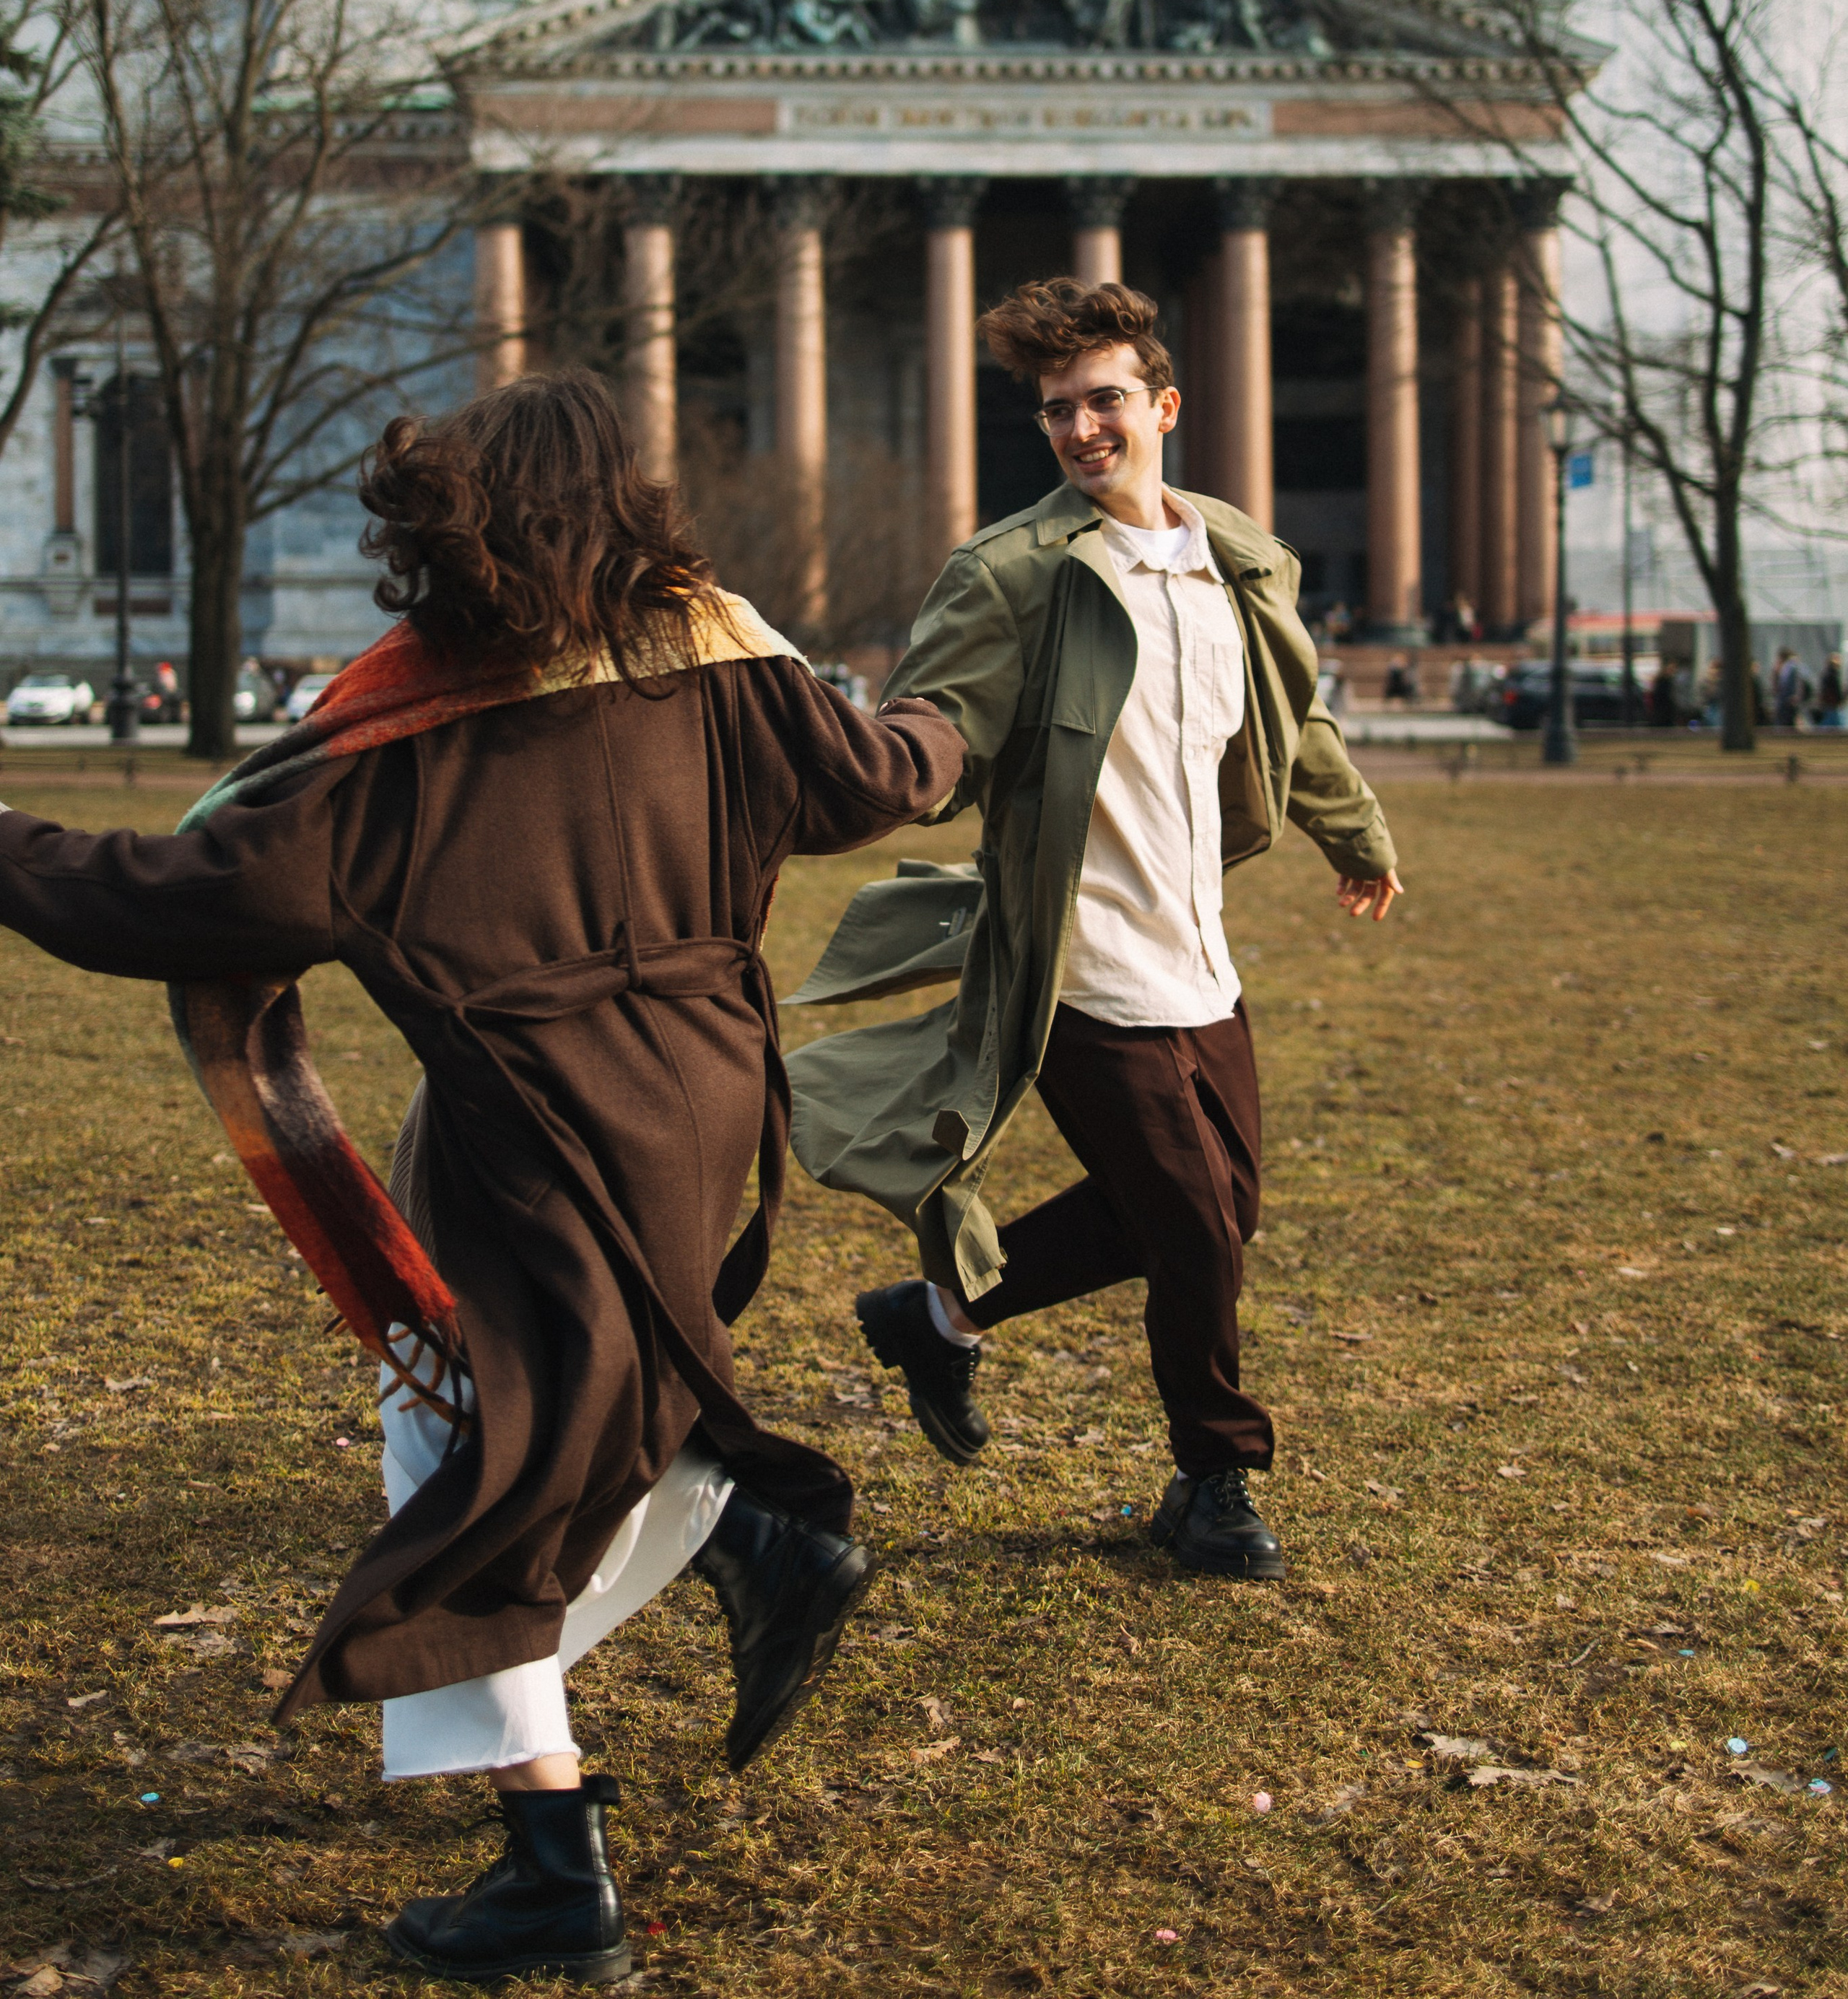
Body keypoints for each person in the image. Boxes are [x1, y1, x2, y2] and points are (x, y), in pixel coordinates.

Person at [0, 370, 963, 1987]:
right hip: (709, 1101)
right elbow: (880, 774)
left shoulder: (415, 730)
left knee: (472, 1456)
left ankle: (563, 1848)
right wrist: (950, 715)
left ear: (456, 512)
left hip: (537, 1131)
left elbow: (172, 891)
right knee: (547, 1409)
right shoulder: (718, 656)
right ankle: (734, 1545)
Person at [783, 280, 1400, 1584]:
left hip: (1199, 952)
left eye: (1104, 399)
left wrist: (1358, 836)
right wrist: (869, 774)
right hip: (1074, 960)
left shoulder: (1236, 557)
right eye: (1058, 409)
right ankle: (1216, 1478)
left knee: (1216, 1209)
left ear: (1164, 406)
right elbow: (935, 721)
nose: (1080, 428)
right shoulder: (1013, 571)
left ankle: (939, 1315)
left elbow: (1294, 718)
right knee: (1193, 1227)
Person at [1817, 649, 1844, 730]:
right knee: (1834, 724)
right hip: (1832, 703)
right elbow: (1836, 690)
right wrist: (1840, 699)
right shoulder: (1833, 675)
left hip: (1827, 703)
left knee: (1830, 722)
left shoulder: (1826, 674)